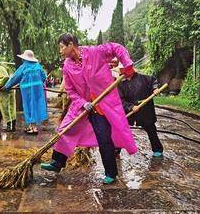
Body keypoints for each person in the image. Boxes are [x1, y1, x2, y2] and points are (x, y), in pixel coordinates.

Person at [40, 33, 138, 184]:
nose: (60, 51)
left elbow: (116, 48)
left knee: (104, 138)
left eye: (61, 47)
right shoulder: (67, 65)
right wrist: (82, 103)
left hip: (103, 104)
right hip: (83, 105)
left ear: (71, 45)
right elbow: (71, 90)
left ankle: (111, 173)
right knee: (65, 129)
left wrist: (127, 64)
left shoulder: (95, 52)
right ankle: (57, 162)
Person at [114, 60, 164, 158]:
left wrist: (155, 89)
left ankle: (157, 149)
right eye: (120, 70)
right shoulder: (120, 84)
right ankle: (116, 150)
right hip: (129, 112)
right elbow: (120, 100)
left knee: (151, 130)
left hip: (145, 110)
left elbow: (153, 81)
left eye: (123, 69)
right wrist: (130, 107)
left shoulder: (144, 78)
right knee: (120, 130)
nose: (121, 72)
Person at [2, 50, 48, 134]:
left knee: (29, 107)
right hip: (38, 90)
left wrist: (7, 86)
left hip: (27, 90)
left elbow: (15, 78)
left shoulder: (24, 67)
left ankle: (33, 128)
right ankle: (32, 126)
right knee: (36, 106)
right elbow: (44, 77)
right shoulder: (38, 66)